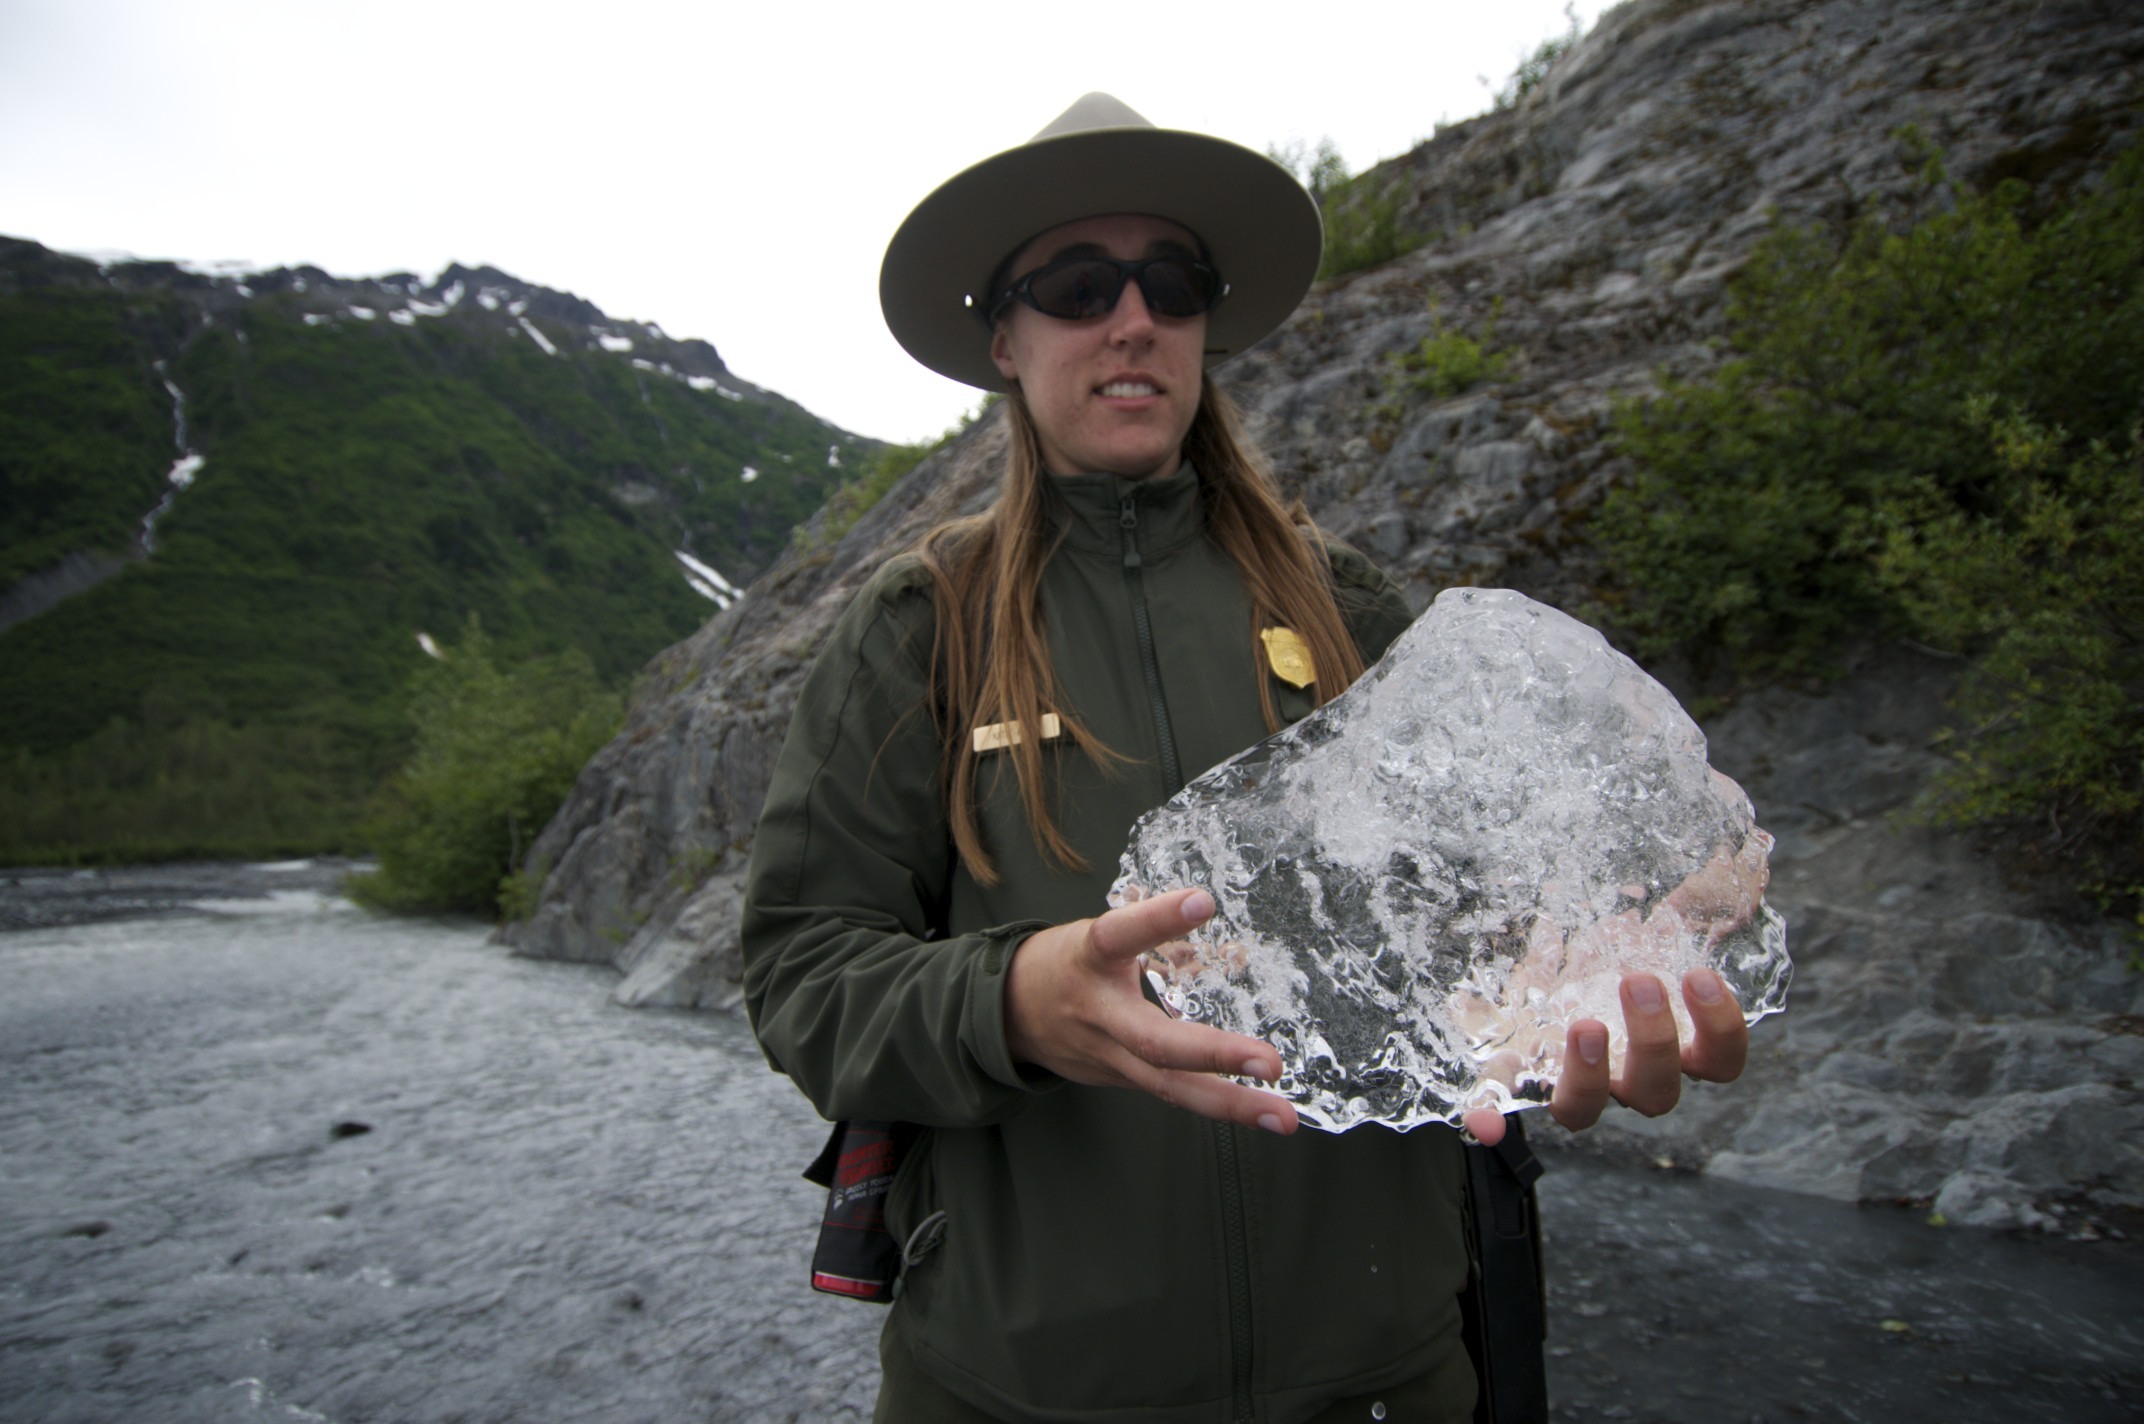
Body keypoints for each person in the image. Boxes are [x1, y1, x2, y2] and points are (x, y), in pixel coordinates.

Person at [741, 92, 1749, 1424]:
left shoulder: (1351, 612)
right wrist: (1015, 1003)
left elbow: (1462, 929)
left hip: (1386, 1383)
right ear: (1005, 334)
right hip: (1017, 1390)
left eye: (1173, 280)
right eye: (1078, 283)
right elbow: (805, 977)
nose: (1134, 316)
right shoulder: (922, 626)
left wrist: (1571, 982)